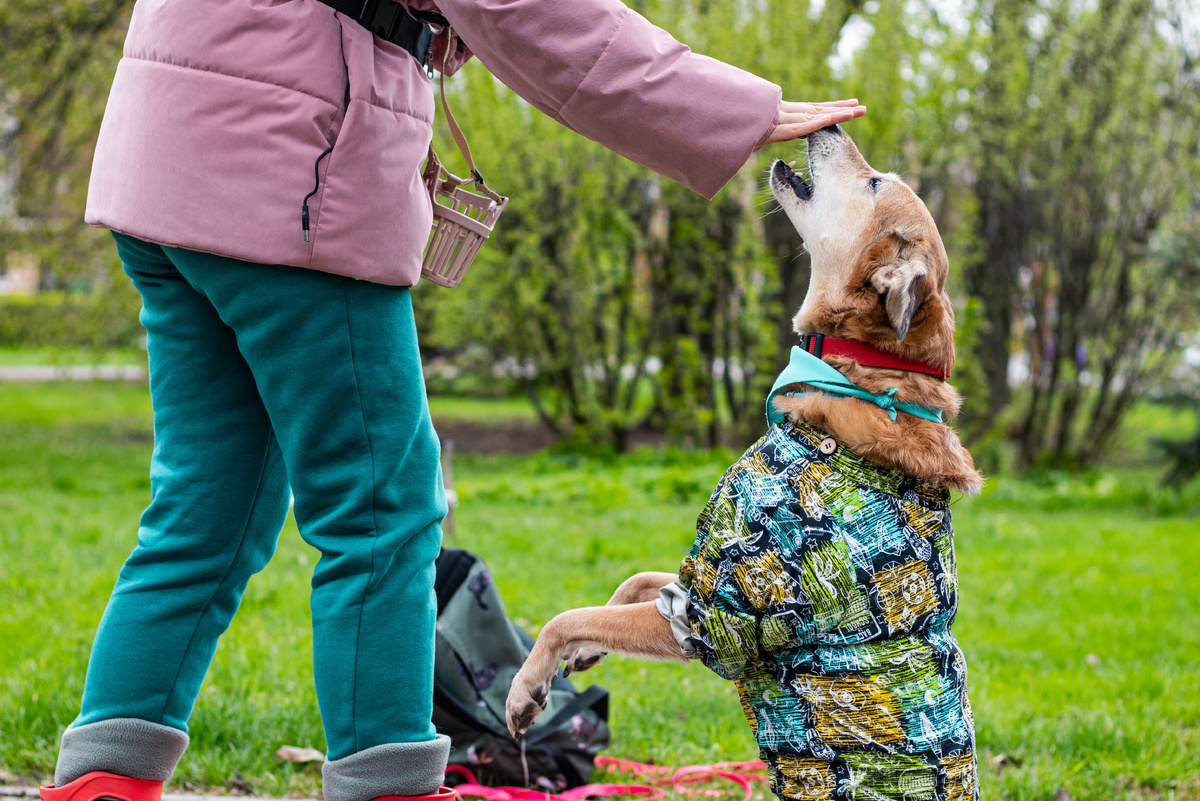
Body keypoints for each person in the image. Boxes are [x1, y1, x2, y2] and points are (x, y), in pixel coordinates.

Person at [41, 2, 865, 801]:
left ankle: (101, 782)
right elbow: (537, 16)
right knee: (383, 514)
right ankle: (388, 789)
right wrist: (734, 111)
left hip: (168, 157)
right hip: (293, 177)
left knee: (203, 511)